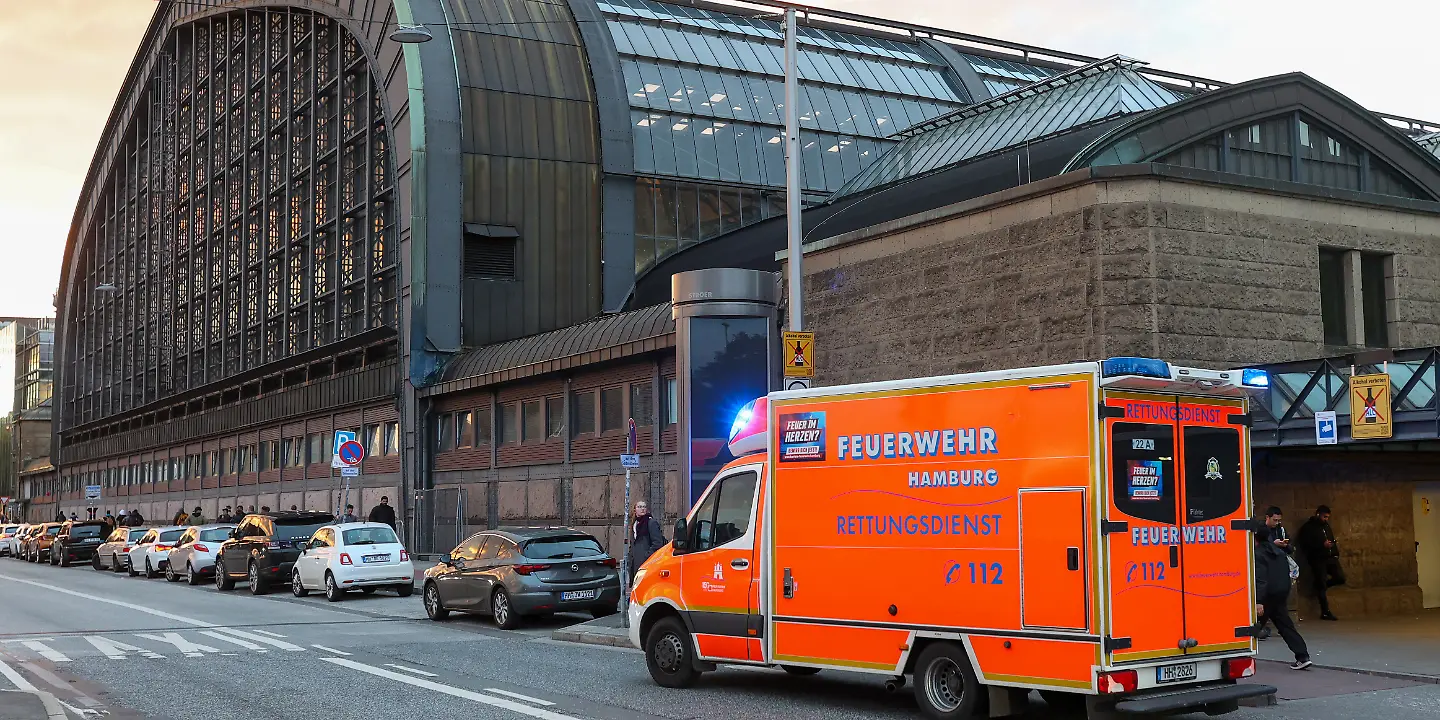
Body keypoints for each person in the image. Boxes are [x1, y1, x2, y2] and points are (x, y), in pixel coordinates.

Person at [1256, 519, 1311, 670]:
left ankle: (1236, 656)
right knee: (1285, 625)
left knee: (1252, 626)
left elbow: (1260, 578)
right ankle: (1302, 655)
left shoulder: (1258, 554)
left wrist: (1258, 600)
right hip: (1280, 594)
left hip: (1267, 596)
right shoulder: (1279, 552)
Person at [1298, 504, 1345, 620]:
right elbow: (1306, 544)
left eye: (1328, 517)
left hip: (1330, 557)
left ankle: (1319, 587)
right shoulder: (1309, 527)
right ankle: (1325, 611)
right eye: (1324, 517)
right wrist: (1321, 545)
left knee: (1340, 578)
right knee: (1321, 584)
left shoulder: (1326, 526)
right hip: (1318, 559)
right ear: (1318, 514)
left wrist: (1334, 551)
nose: (1326, 519)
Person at [1255, 507, 1294, 640]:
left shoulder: (1281, 530)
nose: (1277, 522)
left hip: (1275, 579)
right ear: (1267, 517)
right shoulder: (1261, 532)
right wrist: (1274, 544)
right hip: (1270, 580)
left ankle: (1258, 629)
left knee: (1275, 613)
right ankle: (1258, 629)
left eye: (1279, 520)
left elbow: (1290, 548)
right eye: (1274, 520)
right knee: (1274, 613)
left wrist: (1284, 545)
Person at [627, 501, 666, 582]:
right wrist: (630, 558)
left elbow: (657, 543)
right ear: (635, 510)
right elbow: (632, 544)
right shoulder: (634, 524)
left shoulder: (651, 522)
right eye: (640, 507)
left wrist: (647, 556)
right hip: (636, 564)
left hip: (647, 563)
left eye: (644, 507)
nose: (642, 509)